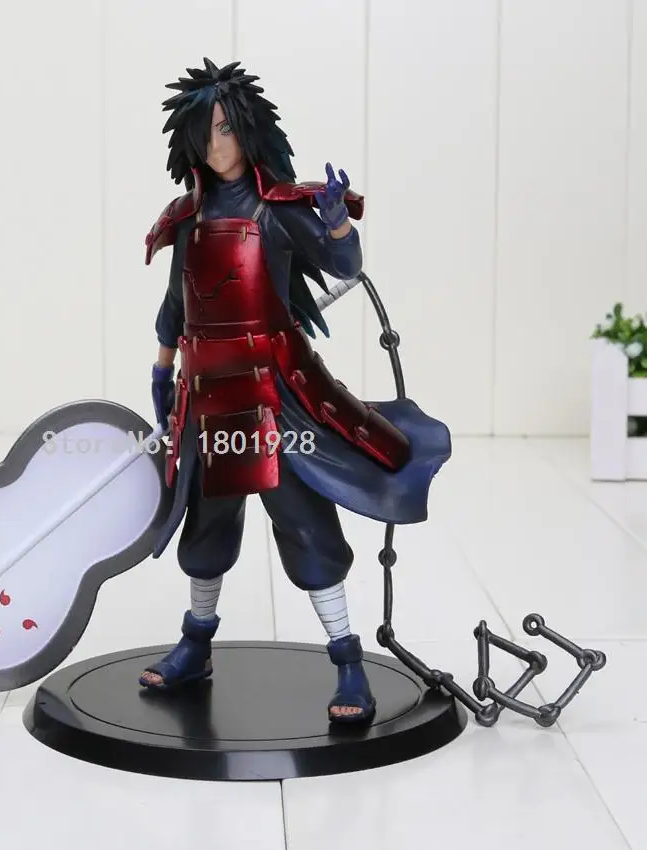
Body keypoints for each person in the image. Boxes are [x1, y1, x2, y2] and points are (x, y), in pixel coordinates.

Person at [140, 58, 451, 723]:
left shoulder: (279, 209)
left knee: (303, 521)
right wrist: (164, 372)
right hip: (208, 395)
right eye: (206, 132)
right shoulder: (187, 217)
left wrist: (336, 223)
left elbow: (344, 262)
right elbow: (176, 303)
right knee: (207, 524)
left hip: (273, 394)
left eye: (226, 128)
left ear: (248, 129)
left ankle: (348, 661)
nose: (216, 144)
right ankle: (196, 646)